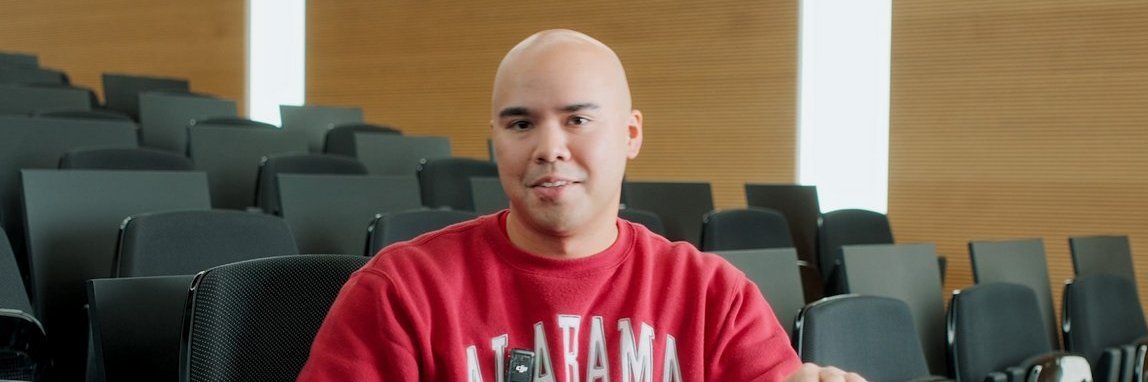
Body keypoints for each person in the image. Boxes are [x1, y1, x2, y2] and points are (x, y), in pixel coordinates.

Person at [298, 29, 865, 382]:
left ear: (631, 133)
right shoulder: (402, 290)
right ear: (495, 138)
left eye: (578, 119)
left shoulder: (714, 296)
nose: (549, 148)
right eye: (521, 123)